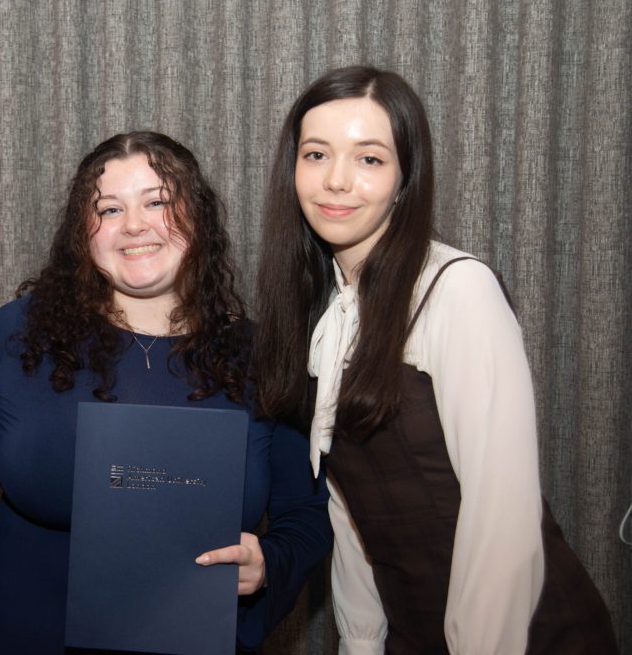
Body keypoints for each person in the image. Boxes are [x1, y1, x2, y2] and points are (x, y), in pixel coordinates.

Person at [253, 65, 618, 654]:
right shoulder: (322, 319)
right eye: (316, 154)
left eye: (369, 158)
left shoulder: (457, 290)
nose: (336, 181)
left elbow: (504, 520)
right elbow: (349, 517)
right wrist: (364, 645)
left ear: (405, 177)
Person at [0, 131, 332, 654]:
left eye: (158, 202)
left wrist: (268, 564)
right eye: (109, 209)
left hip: (194, 639)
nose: (134, 225)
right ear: (82, 232)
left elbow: (307, 512)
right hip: (27, 636)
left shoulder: (261, 358)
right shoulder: (16, 337)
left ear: (198, 218)